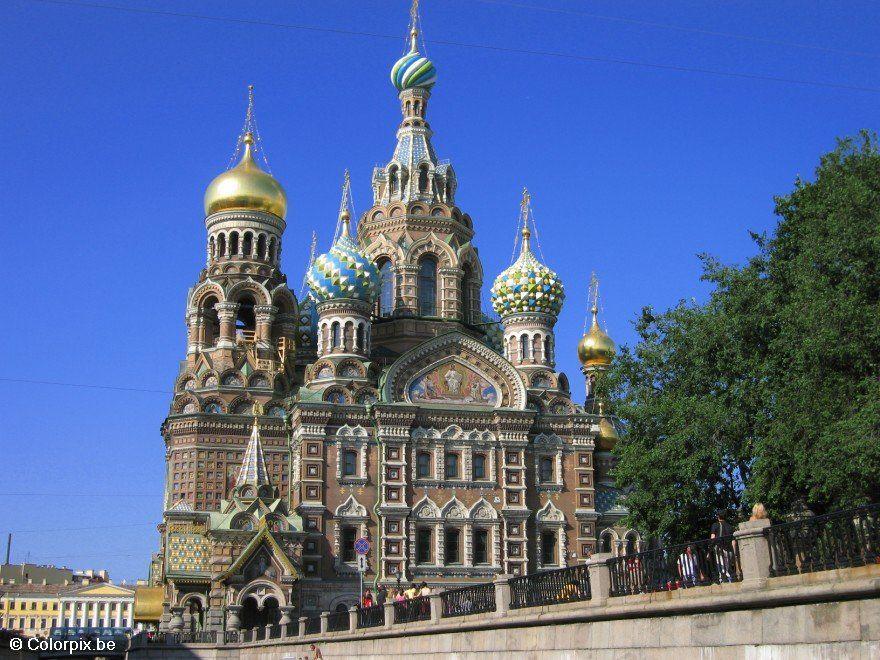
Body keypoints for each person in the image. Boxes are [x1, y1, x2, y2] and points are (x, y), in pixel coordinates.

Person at [710, 511, 735, 582]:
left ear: (718, 516)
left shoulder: (715, 525)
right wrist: (734, 552)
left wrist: (710, 549)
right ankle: (729, 580)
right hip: (729, 548)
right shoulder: (730, 526)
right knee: (727, 567)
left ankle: (724, 581)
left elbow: (713, 537)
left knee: (721, 567)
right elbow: (733, 541)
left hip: (719, 548)